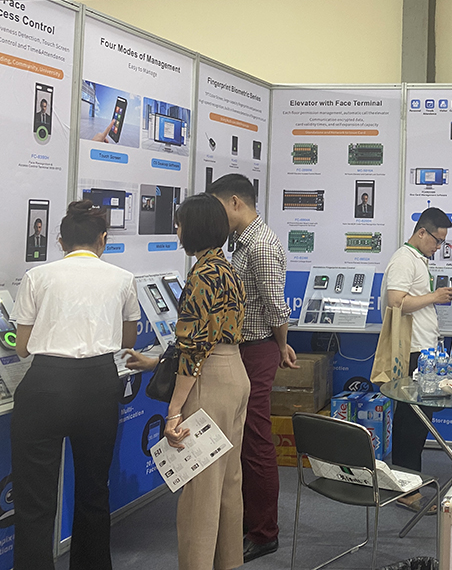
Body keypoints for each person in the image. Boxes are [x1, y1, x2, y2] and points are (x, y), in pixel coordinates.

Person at [10, 200, 139, 570]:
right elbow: (128, 339)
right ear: (103, 239)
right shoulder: (122, 278)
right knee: (94, 491)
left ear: (60, 242)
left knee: (34, 499)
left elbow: (22, 348)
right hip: (99, 385)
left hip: (45, 386)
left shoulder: (38, 277)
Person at [125, 194, 251, 570]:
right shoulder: (226, 269)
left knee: (200, 490)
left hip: (208, 381)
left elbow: (195, 350)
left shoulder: (201, 276)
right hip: (234, 374)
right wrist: (156, 363)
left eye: (179, 224)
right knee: (228, 483)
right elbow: (212, 336)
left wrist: (174, 411)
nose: (177, 231)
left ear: (193, 228)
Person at [206, 174, 296, 562]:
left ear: (236, 202)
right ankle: (246, 522)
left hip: (257, 350)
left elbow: (276, 308)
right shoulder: (241, 243)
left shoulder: (260, 246)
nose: (215, 217)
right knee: (241, 442)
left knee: (257, 441)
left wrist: (281, 345)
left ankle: (264, 533)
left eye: (218, 207)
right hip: (244, 349)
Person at [380, 207, 452, 512]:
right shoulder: (404, 259)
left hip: (423, 352)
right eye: (437, 240)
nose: (439, 247)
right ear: (422, 232)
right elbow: (396, 301)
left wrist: (434, 297)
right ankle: (406, 489)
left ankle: (410, 481)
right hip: (412, 353)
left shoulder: (418, 259)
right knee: (411, 422)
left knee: (417, 421)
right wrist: (435, 296)